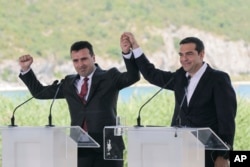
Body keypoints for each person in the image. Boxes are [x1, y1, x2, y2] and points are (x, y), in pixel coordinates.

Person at [18, 36, 140, 167]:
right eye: (75, 61)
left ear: (93, 58)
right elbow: (39, 93)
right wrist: (26, 70)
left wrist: (127, 53)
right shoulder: (68, 83)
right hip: (79, 150)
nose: (80, 64)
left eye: (84, 59)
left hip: (108, 148)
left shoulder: (110, 77)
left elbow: (133, 76)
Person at [122, 32, 237, 167]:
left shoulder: (218, 79)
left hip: (208, 154)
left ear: (201, 54)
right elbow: (151, 74)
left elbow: (227, 119)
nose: (184, 59)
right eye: (181, 55)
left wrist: (224, 155)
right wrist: (134, 48)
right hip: (179, 150)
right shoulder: (179, 77)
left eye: (189, 54)